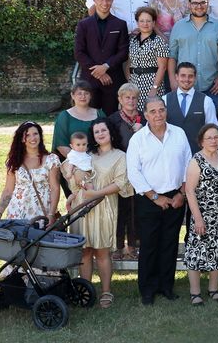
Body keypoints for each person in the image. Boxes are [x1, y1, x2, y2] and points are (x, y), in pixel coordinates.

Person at [126, 97, 191, 306]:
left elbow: (188, 164)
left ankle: (166, 286)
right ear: (145, 115)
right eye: (153, 111)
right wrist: (155, 197)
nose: (158, 115)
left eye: (161, 110)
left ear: (166, 112)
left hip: (176, 198)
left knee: (169, 244)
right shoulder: (138, 139)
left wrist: (182, 193)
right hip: (148, 199)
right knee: (149, 245)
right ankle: (147, 289)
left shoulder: (178, 134)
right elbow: (133, 172)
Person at [71, 118, 133, 309]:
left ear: (110, 132)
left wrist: (95, 194)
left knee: (102, 251)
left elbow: (121, 183)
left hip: (104, 207)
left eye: (103, 130)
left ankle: (106, 291)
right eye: (96, 132)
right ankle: (86, 291)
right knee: (85, 252)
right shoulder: (86, 155)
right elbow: (74, 176)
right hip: (83, 208)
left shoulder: (120, 156)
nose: (100, 134)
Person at [184, 124, 218, 306]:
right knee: (197, 252)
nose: (213, 141)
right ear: (201, 141)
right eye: (209, 138)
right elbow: (189, 191)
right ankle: (195, 292)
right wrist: (197, 218)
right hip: (203, 215)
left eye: (216, 137)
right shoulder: (196, 160)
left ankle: (213, 288)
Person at [74, 0, 129, 115]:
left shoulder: (120, 24)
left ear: (112, 0)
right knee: (88, 121)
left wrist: (106, 66)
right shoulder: (83, 25)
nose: (105, 3)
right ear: (94, 0)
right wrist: (99, 71)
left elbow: (123, 52)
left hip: (113, 80)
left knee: (111, 121)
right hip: (89, 82)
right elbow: (79, 52)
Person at [168, 0, 218, 117]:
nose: (199, 6)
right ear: (189, 4)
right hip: (184, 85)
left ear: (207, 3)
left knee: (212, 128)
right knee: (185, 124)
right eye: (195, 3)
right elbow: (172, 56)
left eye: (202, 2)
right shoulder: (179, 26)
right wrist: (172, 80)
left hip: (212, 86)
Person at [108, 83, 145, 261]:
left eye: (134, 97)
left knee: (135, 208)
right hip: (119, 169)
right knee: (120, 208)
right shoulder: (113, 120)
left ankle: (132, 245)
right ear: (120, 99)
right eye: (127, 97)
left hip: (141, 169)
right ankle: (118, 245)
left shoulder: (144, 119)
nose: (130, 101)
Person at [0, 122, 60, 226]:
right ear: (22, 139)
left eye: (35, 134)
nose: (33, 138)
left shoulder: (51, 160)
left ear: (40, 135)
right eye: (27, 135)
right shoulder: (14, 160)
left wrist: (51, 214)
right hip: (17, 211)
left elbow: (55, 188)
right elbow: (8, 190)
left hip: (42, 212)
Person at [52, 81, 106, 196]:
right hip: (73, 165)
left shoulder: (99, 114)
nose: (83, 96)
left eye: (86, 93)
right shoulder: (64, 116)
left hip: (98, 164)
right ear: (72, 95)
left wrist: (94, 162)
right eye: (79, 93)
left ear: (90, 96)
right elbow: (61, 145)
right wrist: (80, 162)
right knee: (78, 201)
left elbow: (106, 139)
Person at [163, 62, 218, 155]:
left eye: (190, 76)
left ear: (195, 78)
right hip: (171, 154)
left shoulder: (206, 101)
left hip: (198, 155)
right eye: (183, 76)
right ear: (176, 77)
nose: (187, 79)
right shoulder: (165, 100)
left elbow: (212, 130)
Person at [127, 6, 169, 112]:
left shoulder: (159, 41)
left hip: (151, 83)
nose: (145, 24)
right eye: (142, 21)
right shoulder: (133, 40)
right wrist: (129, 81)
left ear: (154, 23)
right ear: (137, 22)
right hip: (134, 84)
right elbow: (128, 63)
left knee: (151, 113)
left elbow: (162, 67)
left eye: (148, 21)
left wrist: (154, 88)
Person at [60, 132, 94, 212]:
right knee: (90, 187)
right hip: (76, 179)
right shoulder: (73, 154)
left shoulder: (85, 154)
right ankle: (90, 201)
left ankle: (69, 203)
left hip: (82, 177)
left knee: (75, 194)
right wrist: (69, 172)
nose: (81, 147)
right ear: (72, 146)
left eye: (84, 144)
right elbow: (71, 163)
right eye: (78, 145)